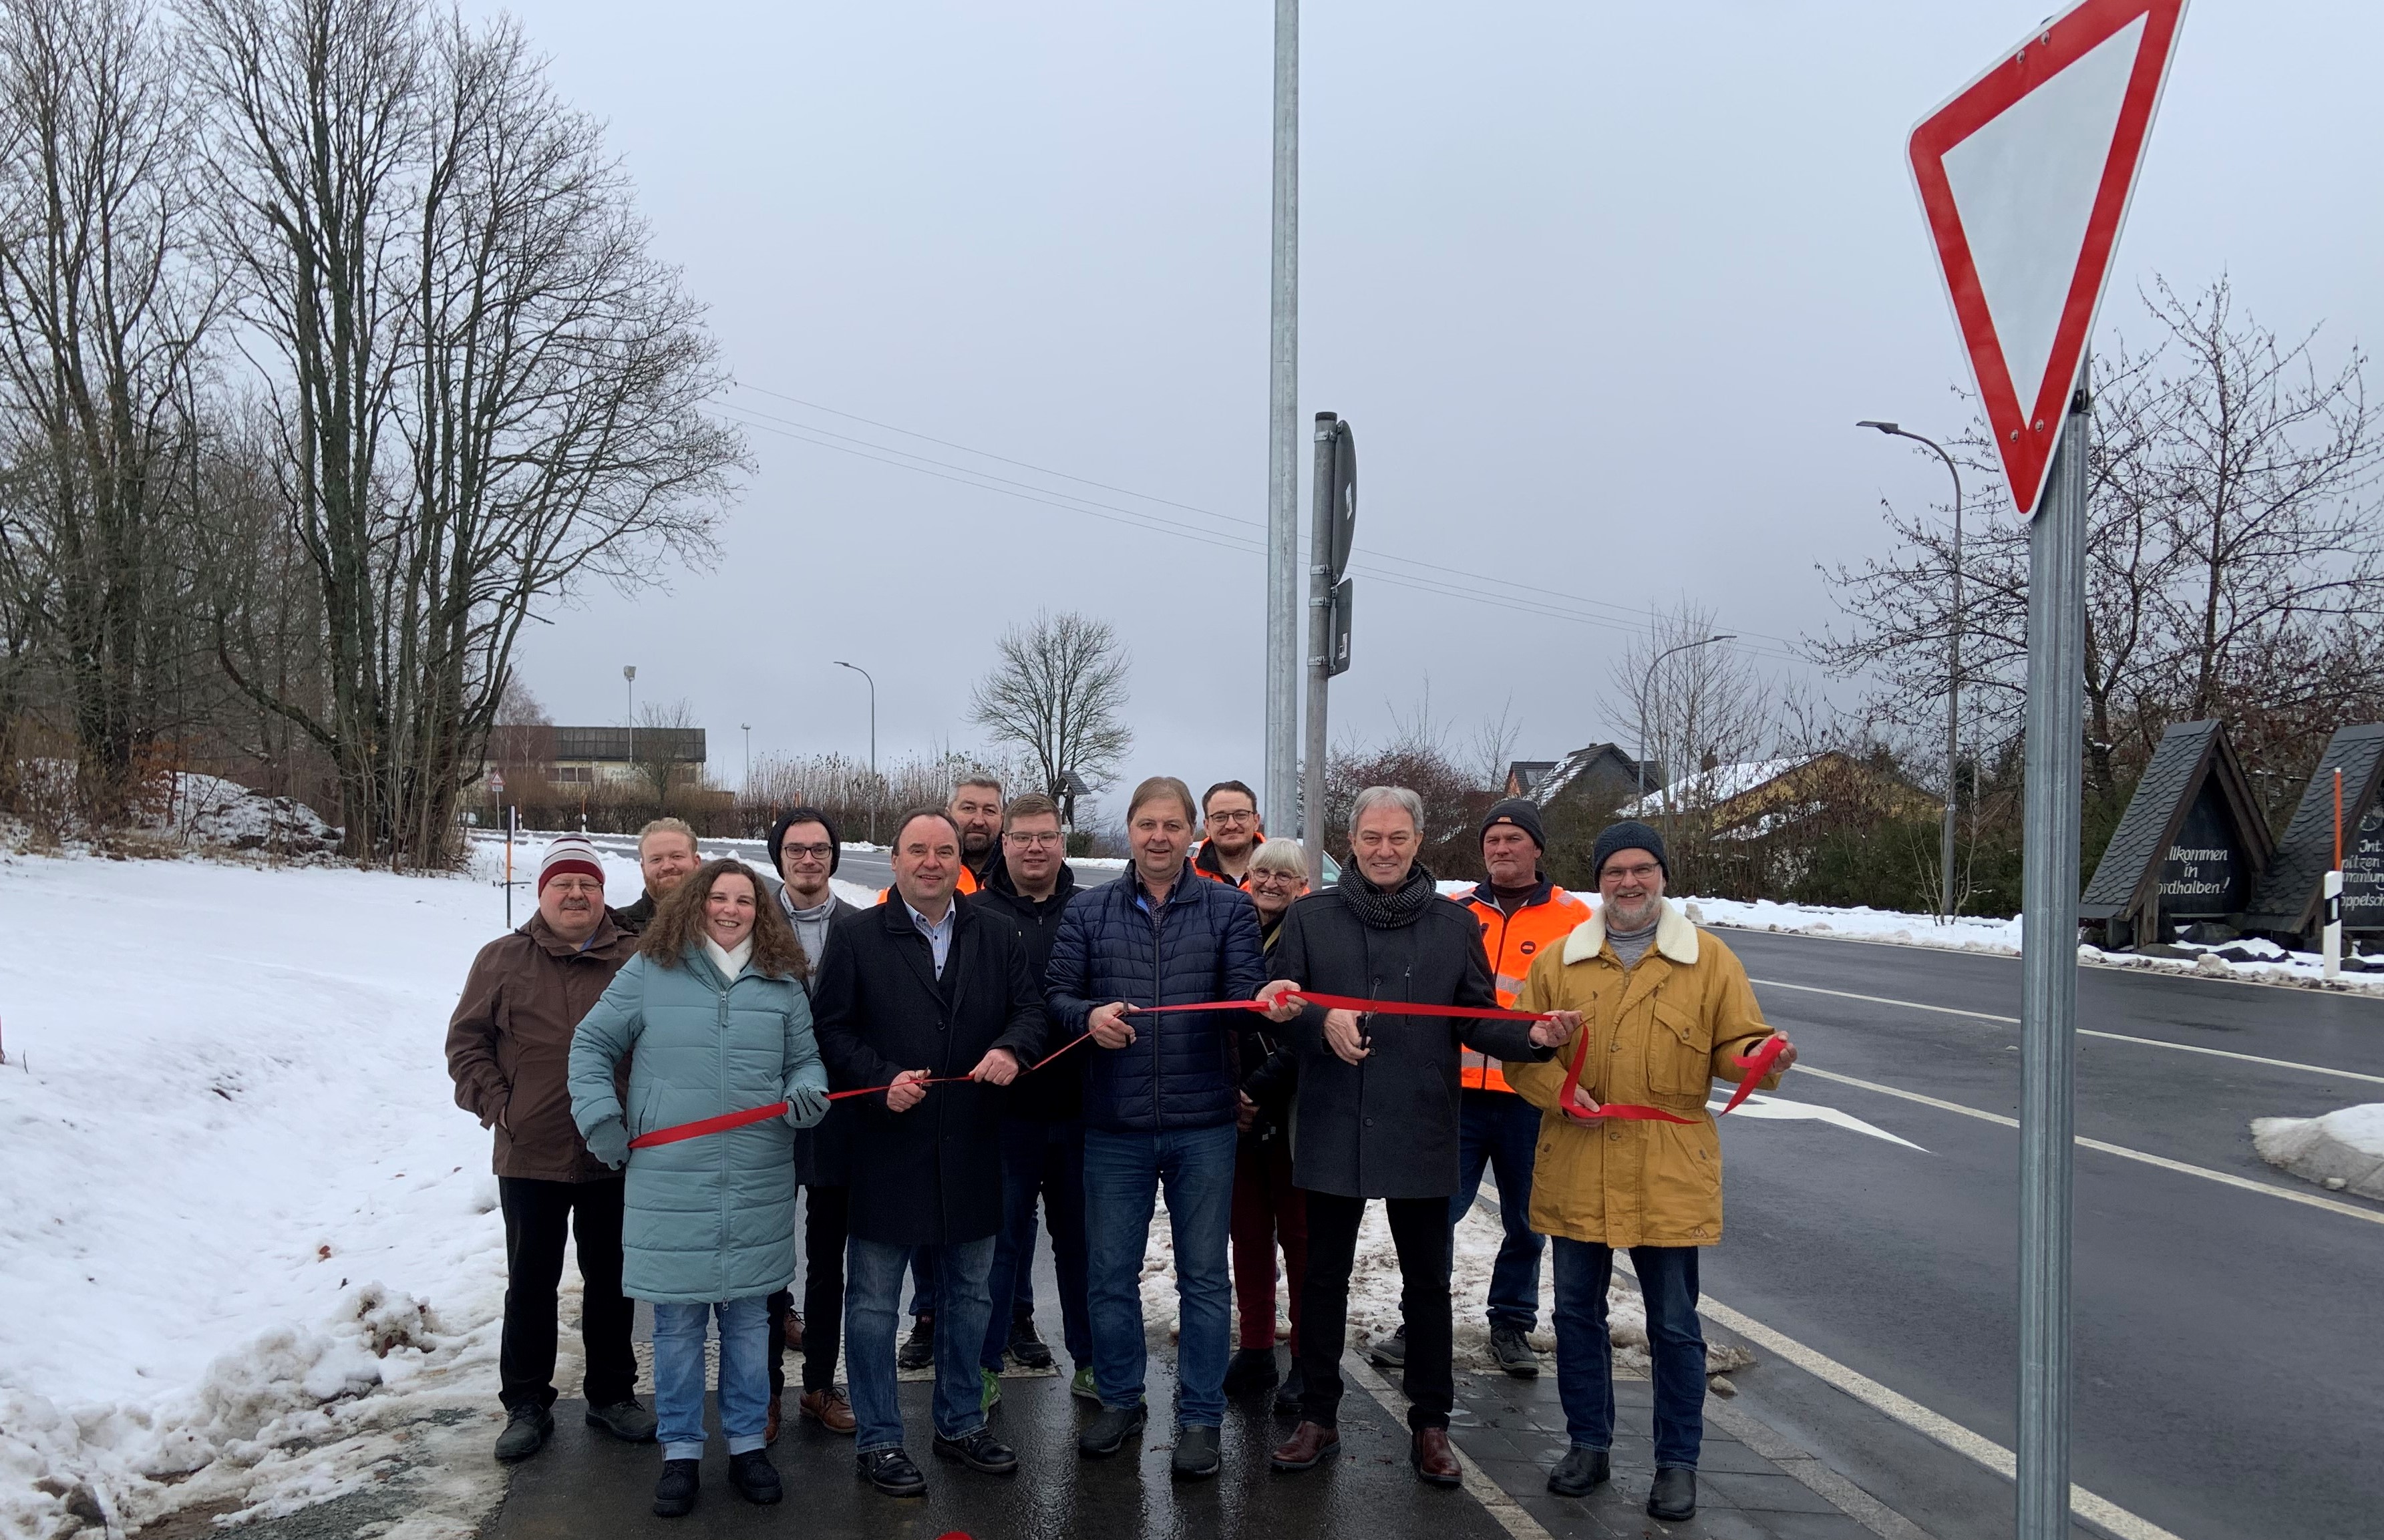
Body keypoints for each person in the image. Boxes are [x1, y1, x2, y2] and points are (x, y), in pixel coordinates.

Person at [1257, 786, 1575, 1487]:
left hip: (1421, 1121)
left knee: (1427, 1284)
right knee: (1321, 1279)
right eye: (1370, 836)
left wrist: (1531, 1035)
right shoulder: (1311, 917)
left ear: (1418, 840)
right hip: (1334, 1121)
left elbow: (1471, 1017)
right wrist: (1318, 1019)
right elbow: (1279, 999)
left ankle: (1431, 1424)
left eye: (1396, 837)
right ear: (1351, 839)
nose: (1382, 849)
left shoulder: (1449, 924)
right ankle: (1317, 1415)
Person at [1503, 821, 1795, 1523]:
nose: (1627, 883)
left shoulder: (1709, 959)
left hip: (1667, 1167)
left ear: (1661, 875)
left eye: (1641, 869)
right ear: (1596, 880)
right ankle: (1587, 1444)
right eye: (1613, 872)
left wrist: (1763, 1056)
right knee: (1575, 1312)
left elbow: (1736, 1043)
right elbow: (1518, 1050)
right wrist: (1556, 1091)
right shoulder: (1558, 960)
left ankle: (1676, 1462)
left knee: (1672, 1322)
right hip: (1576, 1157)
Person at [566, 859, 832, 1518]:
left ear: (759, 910)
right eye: (719, 896)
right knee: (679, 1329)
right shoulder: (650, 971)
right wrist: (602, 1118)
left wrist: (806, 1090)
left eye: (744, 899)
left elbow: (805, 1060)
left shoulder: (781, 982)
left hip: (757, 1178)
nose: (731, 908)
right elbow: (591, 1044)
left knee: (749, 1325)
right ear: (696, 902)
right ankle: (681, 1450)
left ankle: (746, 1444)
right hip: (669, 1181)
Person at [812, 808, 1047, 1498]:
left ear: (959, 862)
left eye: (944, 850)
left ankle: (959, 1420)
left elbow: (1029, 1010)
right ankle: (880, 1438)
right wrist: (879, 1078)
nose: (931, 862)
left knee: (970, 1294)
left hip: (973, 1142)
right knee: (876, 1301)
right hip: (886, 1146)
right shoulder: (856, 935)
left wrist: (1011, 1048)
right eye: (917, 850)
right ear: (894, 860)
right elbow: (829, 1029)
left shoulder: (995, 933)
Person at [1046, 775, 1266, 1481]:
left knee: (1204, 1278)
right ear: (1130, 829)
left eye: (1172, 824)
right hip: (1114, 1124)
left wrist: (1260, 1004)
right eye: (1146, 824)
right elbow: (1056, 994)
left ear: (1190, 831)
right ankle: (1119, 1397)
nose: (1159, 837)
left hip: (1204, 1121)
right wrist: (1087, 1017)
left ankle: (1200, 1417)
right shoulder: (1088, 910)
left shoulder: (1229, 908)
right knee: (1109, 1274)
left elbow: (1242, 1003)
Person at [445, 833, 657, 1463]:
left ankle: (612, 1395)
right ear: (542, 893)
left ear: (602, 893)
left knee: (613, 1279)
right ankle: (527, 1404)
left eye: (587, 884)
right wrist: (499, 1105)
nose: (575, 893)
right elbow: (466, 1044)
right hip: (530, 1152)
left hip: (615, 1151)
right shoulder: (502, 959)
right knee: (531, 1280)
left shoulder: (638, 958)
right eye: (562, 884)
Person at [1373, 797, 1590, 1380]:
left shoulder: (1573, 920)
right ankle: (1418, 1319)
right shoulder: (1453, 912)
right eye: (1492, 840)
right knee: (1435, 1213)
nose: (1500, 849)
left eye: (1513, 839)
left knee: (1527, 1219)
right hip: (1458, 1092)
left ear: (1537, 848)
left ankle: (1511, 1324)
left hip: (1529, 1092)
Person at [970, 793, 1094, 1408]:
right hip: (1004, 1117)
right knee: (998, 1249)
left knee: (1082, 1248)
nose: (1035, 847)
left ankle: (1093, 1363)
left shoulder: (1091, 910)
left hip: (1082, 1114)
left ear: (1062, 843)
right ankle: (984, 1364)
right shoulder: (974, 915)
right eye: (1022, 837)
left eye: (1046, 836)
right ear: (1005, 843)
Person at [760, 807, 866, 1441]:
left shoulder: (860, 928)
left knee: (829, 1258)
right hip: (765, 1113)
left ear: (834, 855)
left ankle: (819, 1384)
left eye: (819, 849)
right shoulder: (746, 922)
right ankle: (765, 1391)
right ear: (779, 858)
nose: (808, 860)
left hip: (837, 1113)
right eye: (795, 850)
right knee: (768, 1259)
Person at [1223, 837, 1311, 1414]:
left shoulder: (1311, 935)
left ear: (1303, 885)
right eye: (1262, 872)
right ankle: (1255, 1345)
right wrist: (1231, 1090)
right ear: (1246, 876)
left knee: (1302, 1241)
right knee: (1248, 1237)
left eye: (1285, 875)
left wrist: (1256, 1089)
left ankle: (1305, 1358)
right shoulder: (1229, 929)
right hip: (1233, 1108)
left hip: (1295, 1106)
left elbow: (1308, 1031)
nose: (1271, 882)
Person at [611, 817, 701, 933]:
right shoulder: (618, 926)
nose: (667, 866)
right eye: (656, 859)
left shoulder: (721, 919)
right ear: (643, 868)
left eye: (677, 856)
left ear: (696, 862)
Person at [1192, 779, 1262, 888]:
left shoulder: (1290, 873)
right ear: (1207, 826)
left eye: (1240, 815)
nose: (1231, 825)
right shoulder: (1186, 879)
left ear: (1256, 821)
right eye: (1220, 817)